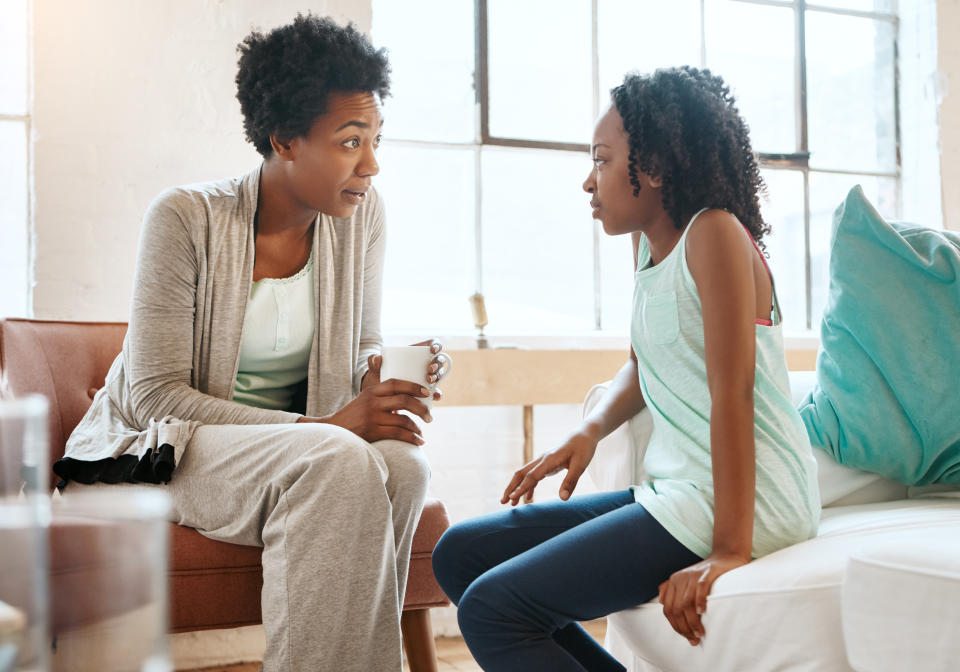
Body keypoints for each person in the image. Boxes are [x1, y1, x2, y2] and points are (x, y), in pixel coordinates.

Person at [54, 15, 447, 672]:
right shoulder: (185, 218)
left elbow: (358, 345)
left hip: (292, 447)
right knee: (334, 458)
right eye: (351, 142)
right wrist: (322, 425)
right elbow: (154, 397)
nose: (372, 165)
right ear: (285, 139)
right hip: (158, 448)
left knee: (406, 467)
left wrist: (378, 371)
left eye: (376, 140)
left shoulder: (361, 216)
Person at [431, 66, 821, 672]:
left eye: (603, 160)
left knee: (492, 610)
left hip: (746, 503)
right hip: (679, 491)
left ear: (656, 170)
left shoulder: (713, 233)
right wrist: (588, 431)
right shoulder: (646, 245)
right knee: (461, 555)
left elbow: (733, 395)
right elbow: (643, 366)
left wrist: (727, 552)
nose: (589, 182)